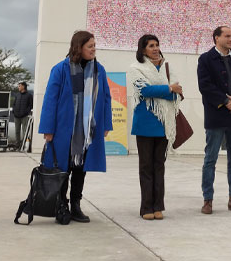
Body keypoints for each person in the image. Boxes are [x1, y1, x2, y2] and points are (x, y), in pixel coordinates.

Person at [38, 31, 113, 224]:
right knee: (63, 167)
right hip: (64, 128)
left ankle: (76, 205)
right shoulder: (61, 69)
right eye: (90, 46)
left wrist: (106, 124)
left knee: (81, 168)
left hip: (88, 130)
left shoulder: (99, 70)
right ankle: (60, 203)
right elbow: (50, 100)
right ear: (78, 47)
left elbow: (106, 98)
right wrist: (48, 128)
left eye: (95, 45)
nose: (94, 49)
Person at [197, 26, 231, 214]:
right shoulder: (205, 59)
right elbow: (205, 86)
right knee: (210, 159)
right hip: (216, 115)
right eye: (227, 36)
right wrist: (225, 100)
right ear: (216, 38)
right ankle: (208, 200)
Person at [129, 34, 183, 220]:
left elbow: (177, 93)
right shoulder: (136, 68)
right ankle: (146, 208)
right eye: (151, 45)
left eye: (157, 45)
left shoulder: (167, 68)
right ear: (143, 49)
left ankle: (158, 206)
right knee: (146, 167)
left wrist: (166, 91)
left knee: (159, 166)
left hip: (164, 124)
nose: (155, 48)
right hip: (145, 124)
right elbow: (143, 90)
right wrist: (168, 89)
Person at [12, 82, 33, 149]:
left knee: (24, 131)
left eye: (19, 86)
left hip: (24, 116)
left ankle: (24, 145)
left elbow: (30, 106)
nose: (18, 87)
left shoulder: (29, 95)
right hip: (16, 116)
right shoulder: (17, 95)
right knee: (17, 131)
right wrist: (14, 111)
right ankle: (17, 145)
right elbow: (14, 104)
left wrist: (26, 112)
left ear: (23, 87)